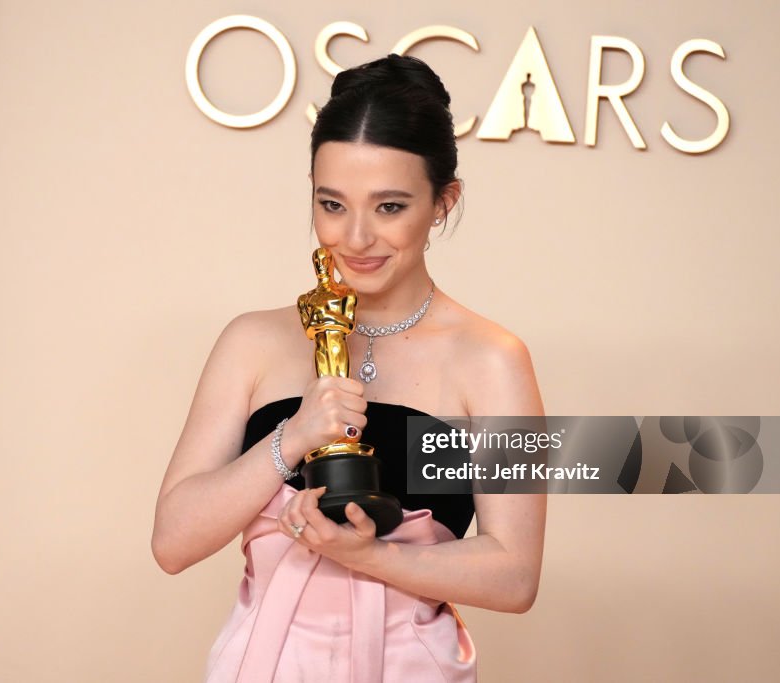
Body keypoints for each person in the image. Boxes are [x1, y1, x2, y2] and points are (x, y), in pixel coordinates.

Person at [152, 54, 547, 682]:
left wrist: (369, 555)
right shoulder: (253, 341)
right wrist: (295, 437)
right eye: (332, 204)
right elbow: (173, 542)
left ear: (443, 202)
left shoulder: (493, 360)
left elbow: (516, 575)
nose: (356, 237)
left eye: (389, 207)